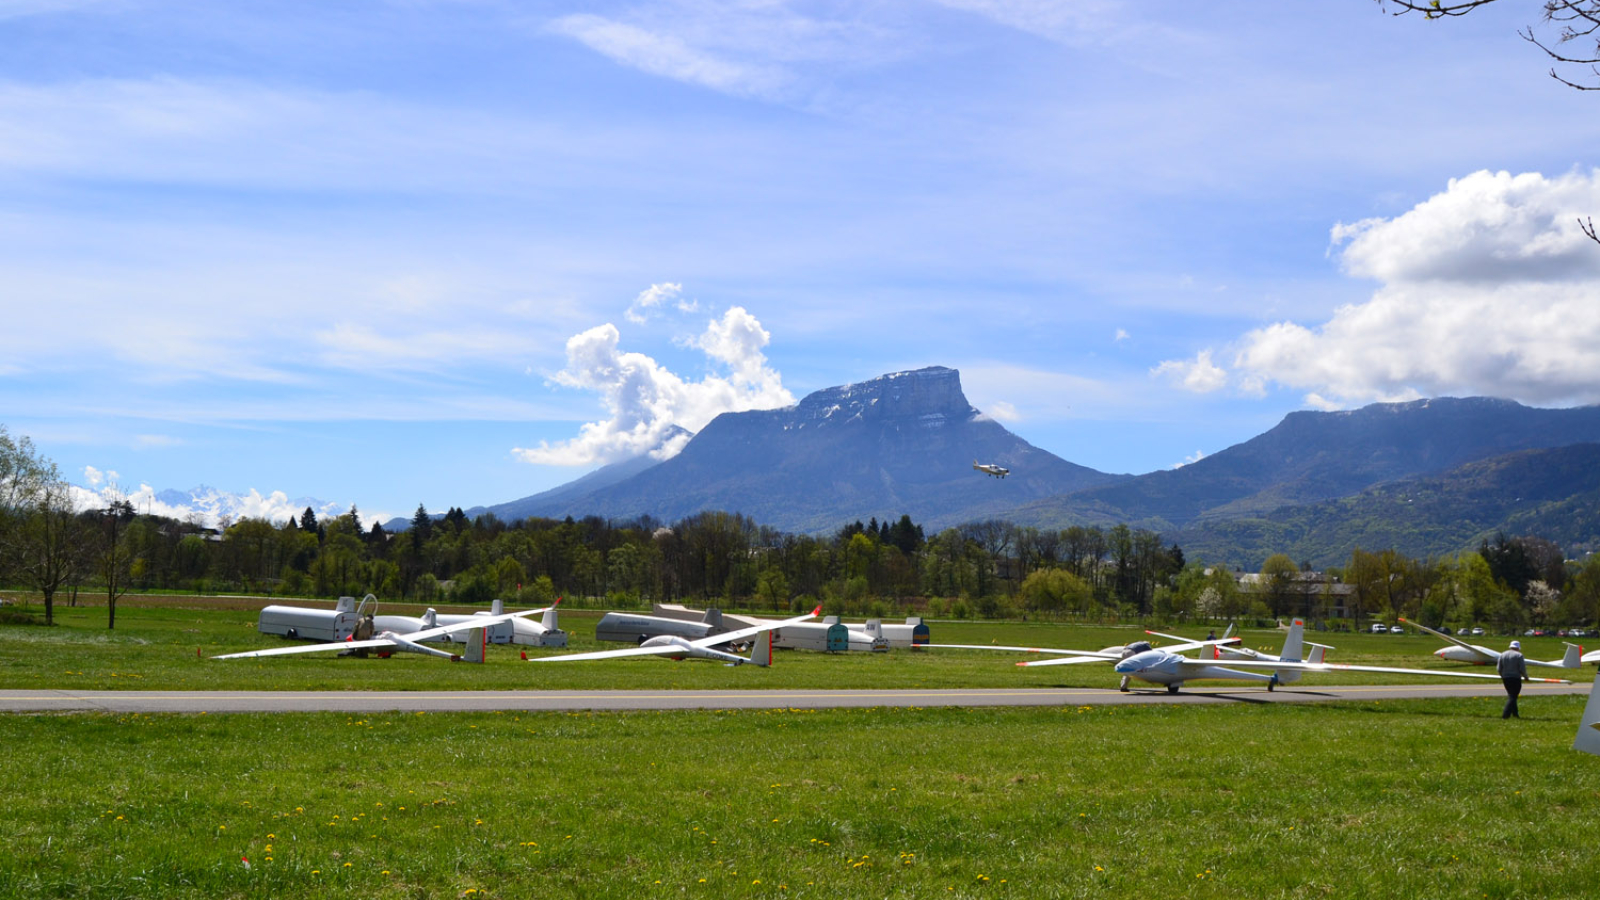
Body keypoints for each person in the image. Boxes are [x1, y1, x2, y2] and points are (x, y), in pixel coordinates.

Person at [1498, 640, 1529, 719]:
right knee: (1513, 697)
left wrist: (1502, 675)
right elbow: (1522, 668)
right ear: (1518, 648)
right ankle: (1505, 715)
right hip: (1515, 678)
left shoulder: (1502, 654)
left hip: (1506, 678)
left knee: (1511, 695)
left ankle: (1515, 714)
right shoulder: (1519, 655)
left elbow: (1498, 668)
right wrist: (1525, 676)